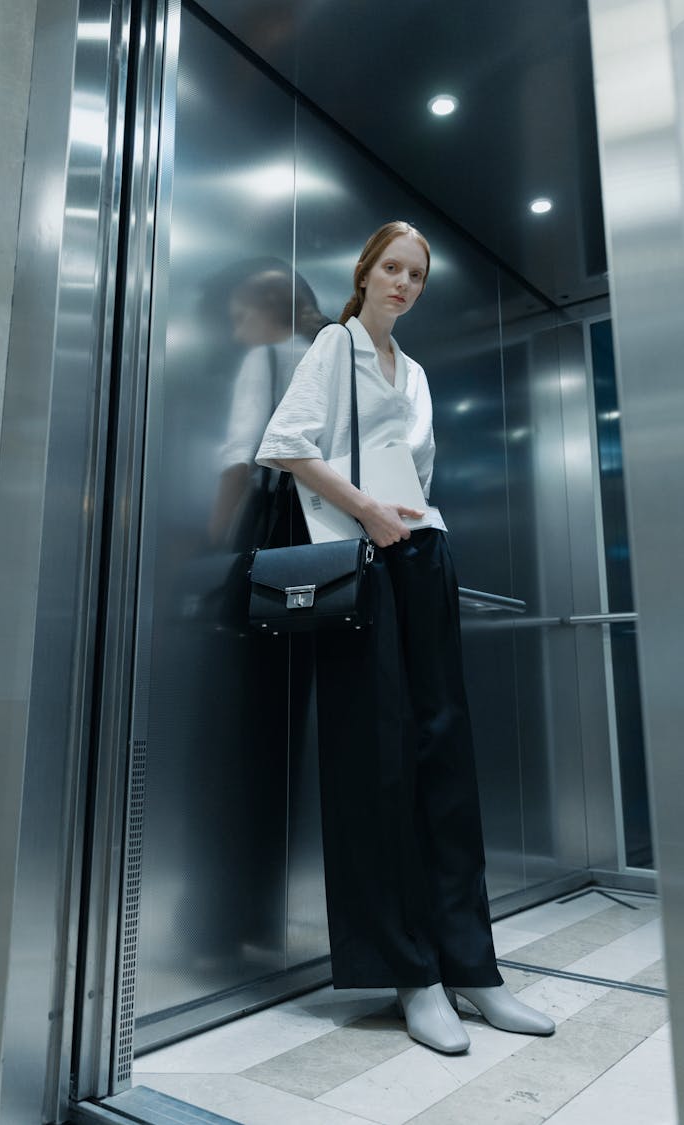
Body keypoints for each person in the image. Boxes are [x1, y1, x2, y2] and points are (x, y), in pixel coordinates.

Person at [255, 221, 555, 1054]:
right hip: (362, 560)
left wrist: (411, 523)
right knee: (375, 761)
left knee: (445, 760)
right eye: (392, 268)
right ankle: (410, 974)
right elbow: (285, 445)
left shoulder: (414, 371)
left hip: (425, 555)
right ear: (365, 271)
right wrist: (366, 510)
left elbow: (413, 468)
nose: (404, 284)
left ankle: (471, 967)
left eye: (416, 275)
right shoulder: (333, 347)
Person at [209, 268, 330, 547]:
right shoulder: (325, 358)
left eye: (241, 318)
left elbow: (240, 454)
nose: (238, 334)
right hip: (328, 514)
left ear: (268, 311)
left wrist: (215, 532)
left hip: (278, 512)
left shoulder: (264, 357)